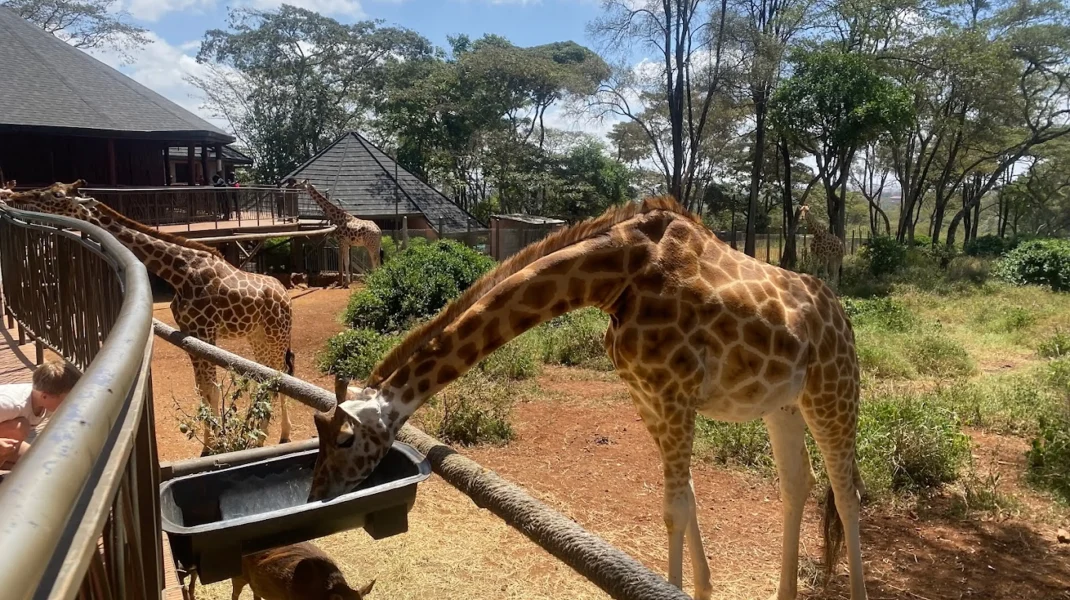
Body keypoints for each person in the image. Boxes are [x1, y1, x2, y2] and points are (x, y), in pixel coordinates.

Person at [0, 360, 82, 470]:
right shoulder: (10, 405)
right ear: (45, 396)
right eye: (67, 399)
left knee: (37, 462)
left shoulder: (45, 402)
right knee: (19, 428)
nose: (71, 403)